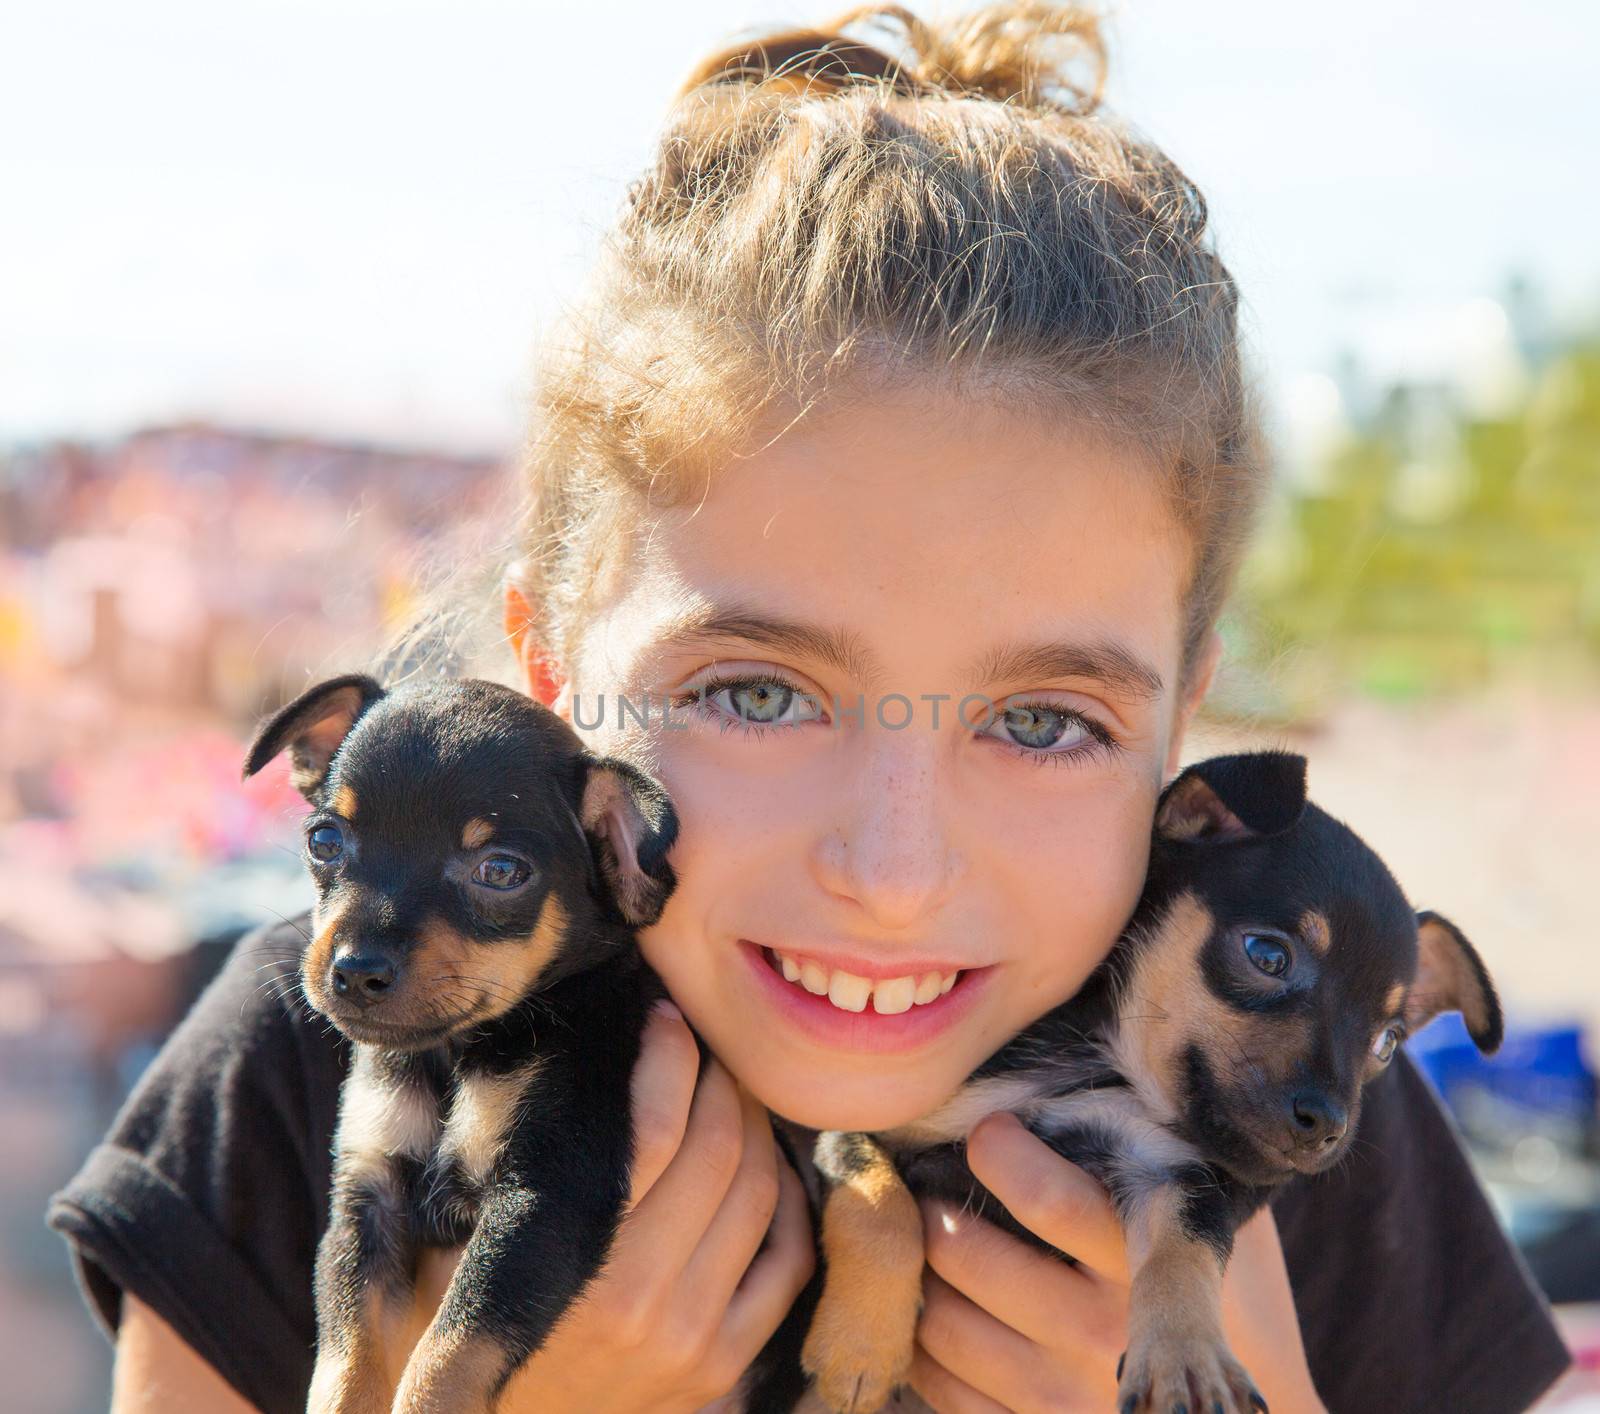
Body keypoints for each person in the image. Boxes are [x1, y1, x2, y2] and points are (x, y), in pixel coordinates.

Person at [49, 5, 1572, 1411]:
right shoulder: (323, 1054)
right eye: (760, 690)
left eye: (1043, 721)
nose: (893, 868)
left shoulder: (1268, 1108)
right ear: (553, 665)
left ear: (1178, 738)